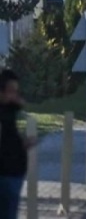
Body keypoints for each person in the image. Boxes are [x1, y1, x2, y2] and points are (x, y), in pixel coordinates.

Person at [0, 70, 34, 217]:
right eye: (10, 91)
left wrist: (23, 144)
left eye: (16, 91)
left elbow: (20, 104)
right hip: (5, 171)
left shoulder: (10, 108)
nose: (14, 95)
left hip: (15, 170)